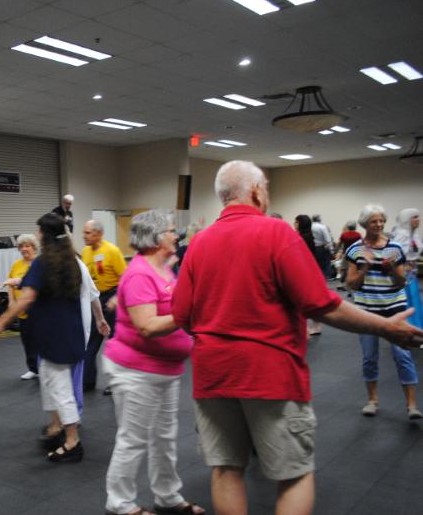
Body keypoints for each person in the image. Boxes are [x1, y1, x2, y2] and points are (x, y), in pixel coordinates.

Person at [172, 161, 423, 515]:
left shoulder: (199, 243)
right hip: (270, 375)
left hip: (213, 374)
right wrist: (385, 327)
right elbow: (322, 305)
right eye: (266, 187)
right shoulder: (276, 233)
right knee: (294, 476)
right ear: (256, 191)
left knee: (226, 469)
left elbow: (181, 315)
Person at [102, 210, 204, 515]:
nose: (176, 235)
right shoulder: (140, 274)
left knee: (164, 437)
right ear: (157, 238)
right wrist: (186, 314)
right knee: (133, 440)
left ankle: (167, 496)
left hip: (166, 370)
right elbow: (147, 326)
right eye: (172, 230)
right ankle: (119, 503)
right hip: (136, 372)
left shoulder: (162, 268)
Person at [0, 213, 109, 463]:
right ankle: (55, 428)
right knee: (49, 382)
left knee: (61, 389)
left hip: (56, 337)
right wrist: (100, 319)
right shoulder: (72, 261)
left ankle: (72, 442)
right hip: (69, 334)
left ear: (44, 234)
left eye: (39, 231)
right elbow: (91, 293)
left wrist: (0, 322)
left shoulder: (44, 262)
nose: (37, 235)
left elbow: (28, 297)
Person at [346, 204, 421, 420]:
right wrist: (365, 268)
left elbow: (401, 282)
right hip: (367, 310)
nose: (379, 225)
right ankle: (372, 401)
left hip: (394, 307)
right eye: (374, 221)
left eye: (381, 221)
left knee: (403, 355)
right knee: (370, 357)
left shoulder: (394, 247)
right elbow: (351, 284)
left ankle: (412, 405)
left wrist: (392, 270)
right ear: (365, 224)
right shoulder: (355, 250)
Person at [81, 219, 126, 393]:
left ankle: (115, 383)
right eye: (84, 232)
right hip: (95, 299)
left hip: (112, 298)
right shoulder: (85, 252)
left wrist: (117, 298)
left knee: (113, 344)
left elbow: (126, 278)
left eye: (88, 233)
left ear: (99, 233)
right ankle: (87, 381)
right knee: (90, 341)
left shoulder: (112, 251)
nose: (84, 236)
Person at [2, 234, 40, 380]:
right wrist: (11, 301)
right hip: (21, 309)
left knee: (40, 339)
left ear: (34, 247)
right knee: (27, 339)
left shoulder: (38, 264)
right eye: (21, 246)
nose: (24, 249)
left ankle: (44, 367)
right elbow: (10, 284)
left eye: (27, 246)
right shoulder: (16, 265)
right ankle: (33, 369)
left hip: (37, 308)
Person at [393, 208, 422, 329]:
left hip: (412, 273)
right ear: (406, 219)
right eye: (414, 217)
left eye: (418, 216)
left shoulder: (413, 234)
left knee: (414, 298)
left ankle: (416, 325)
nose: (418, 219)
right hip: (403, 274)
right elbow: (396, 256)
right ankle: (408, 326)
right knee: (406, 299)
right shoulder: (402, 235)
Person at [294, 215, 322, 337]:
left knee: (303, 300)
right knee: (309, 299)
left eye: (296, 222)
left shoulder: (302, 237)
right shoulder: (307, 236)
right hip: (308, 268)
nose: (294, 224)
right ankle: (314, 326)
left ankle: (309, 328)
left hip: (304, 269)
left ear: (301, 223)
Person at [334, 221, 362, 291]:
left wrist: (335, 251)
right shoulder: (358, 235)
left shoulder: (344, 235)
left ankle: (341, 284)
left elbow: (339, 244)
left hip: (346, 254)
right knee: (355, 269)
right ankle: (353, 285)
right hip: (355, 254)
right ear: (355, 227)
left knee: (344, 270)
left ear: (348, 227)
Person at [311, 214, 335, 279]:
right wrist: (332, 250)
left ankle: (317, 277)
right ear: (319, 219)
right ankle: (327, 276)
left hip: (313, 248)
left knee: (316, 263)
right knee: (326, 263)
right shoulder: (322, 227)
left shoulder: (310, 227)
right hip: (322, 248)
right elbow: (328, 239)